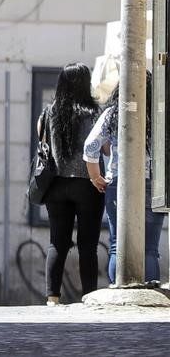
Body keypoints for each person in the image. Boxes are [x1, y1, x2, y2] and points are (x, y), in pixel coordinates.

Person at [84, 73, 165, 284]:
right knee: (150, 247)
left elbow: (90, 145)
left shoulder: (113, 113)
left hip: (119, 183)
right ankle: (151, 288)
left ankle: (119, 286)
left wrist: (95, 177)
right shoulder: (160, 112)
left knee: (117, 244)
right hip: (154, 185)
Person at [40, 62, 104, 305]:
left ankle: (52, 298)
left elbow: (42, 142)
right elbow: (102, 147)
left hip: (55, 184)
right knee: (88, 245)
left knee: (58, 242)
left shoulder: (49, 112)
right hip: (87, 184)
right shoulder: (93, 113)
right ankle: (88, 296)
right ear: (85, 84)